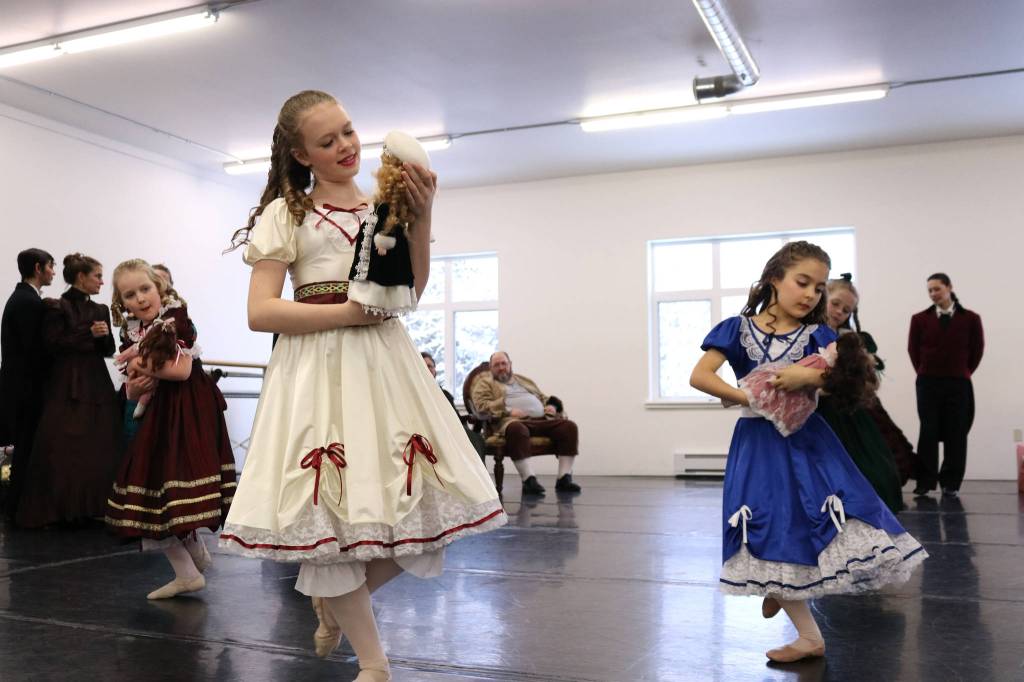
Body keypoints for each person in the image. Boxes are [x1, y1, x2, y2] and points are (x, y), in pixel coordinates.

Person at [218, 90, 506, 682]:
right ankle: (374, 662)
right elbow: (261, 312)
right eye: (328, 141)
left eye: (348, 132)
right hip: (316, 369)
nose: (346, 146)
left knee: (425, 511)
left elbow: (410, 292)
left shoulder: (385, 204)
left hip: (386, 367)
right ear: (301, 154)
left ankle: (336, 602)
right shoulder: (287, 214)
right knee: (328, 519)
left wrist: (422, 217)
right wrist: (346, 313)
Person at [689, 241, 926, 663]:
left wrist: (809, 377)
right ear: (773, 279)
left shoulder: (820, 336)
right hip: (757, 445)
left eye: (818, 288)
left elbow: (852, 384)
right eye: (803, 282)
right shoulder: (735, 329)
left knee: (818, 521)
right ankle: (794, 611)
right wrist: (751, 398)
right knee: (763, 523)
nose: (811, 295)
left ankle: (785, 597)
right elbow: (701, 376)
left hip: (809, 442)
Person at [105, 259, 236, 600]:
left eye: (145, 289)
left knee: (163, 484)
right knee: (153, 486)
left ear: (159, 288)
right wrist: (137, 372)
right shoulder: (132, 330)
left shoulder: (175, 320)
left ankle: (190, 564)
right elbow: (133, 388)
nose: (140, 299)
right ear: (122, 302)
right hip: (158, 410)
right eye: (130, 295)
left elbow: (180, 371)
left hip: (186, 410)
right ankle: (189, 566)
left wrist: (135, 362)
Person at [16, 254, 121, 527]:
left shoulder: (100, 310)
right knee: (61, 447)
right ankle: (59, 509)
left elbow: (108, 350)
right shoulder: (54, 306)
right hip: (65, 383)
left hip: (96, 382)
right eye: (97, 275)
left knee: (99, 445)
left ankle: (96, 506)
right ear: (81, 277)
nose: (101, 281)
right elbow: (52, 344)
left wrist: (103, 337)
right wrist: (90, 334)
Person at [815, 276, 905, 513]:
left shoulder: (850, 338)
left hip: (848, 408)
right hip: (817, 411)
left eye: (846, 310)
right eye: (835, 304)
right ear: (823, 297)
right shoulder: (807, 333)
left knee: (875, 465)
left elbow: (872, 368)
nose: (839, 312)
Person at [908, 273, 984, 498]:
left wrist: (963, 371)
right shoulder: (919, 319)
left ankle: (951, 483)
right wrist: (925, 372)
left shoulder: (971, 318)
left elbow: (977, 350)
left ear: (949, 287)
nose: (933, 294)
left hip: (958, 383)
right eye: (929, 290)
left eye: (937, 289)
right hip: (928, 383)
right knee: (928, 431)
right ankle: (926, 481)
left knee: (956, 432)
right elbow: (913, 351)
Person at [470, 351, 581, 495]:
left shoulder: (523, 380)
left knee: (569, 427)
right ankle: (529, 480)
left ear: (510, 365)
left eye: (504, 363)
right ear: (491, 368)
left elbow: (542, 397)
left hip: (542, 419)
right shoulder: (484, 384)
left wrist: (552, 406)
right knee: (517, 429)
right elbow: (481, 406)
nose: (501, 367)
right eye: (497, 365)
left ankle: (564, 478)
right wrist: (508, 410)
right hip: (512, 421)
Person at [0, 248, 55, 519]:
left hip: (19, 386)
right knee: (25, 448)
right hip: (25, 389)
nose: (54, 272)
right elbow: (35, 350)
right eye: (51, 267)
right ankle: (18, 508)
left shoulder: (24, 299)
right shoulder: (28, 302)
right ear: (38, 268)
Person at [421, 351, 487, 463]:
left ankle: (480, 477)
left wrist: (467, 417)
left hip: (453, 427)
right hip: (432, 429)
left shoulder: (445, 394)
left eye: (430, 366)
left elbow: (456, 417)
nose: (428, 369)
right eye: (424, 366)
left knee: (476, 438)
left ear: (435, 370)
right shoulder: (417, 392)